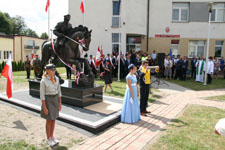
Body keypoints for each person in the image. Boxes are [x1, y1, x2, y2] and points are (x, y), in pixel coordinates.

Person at [40, 64, 62, 147]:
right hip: (48, 101)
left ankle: (52, 137)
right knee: (49, 120)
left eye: (54, 70)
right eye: (52, 70)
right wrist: (44, 107)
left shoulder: (56, 79)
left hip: (55, 100)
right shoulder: (43, 81)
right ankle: (48, 138)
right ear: (47, 71)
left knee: (54, 119)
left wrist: (60, 103)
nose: (54, 71)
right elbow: (42, 96)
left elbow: (59, 92)